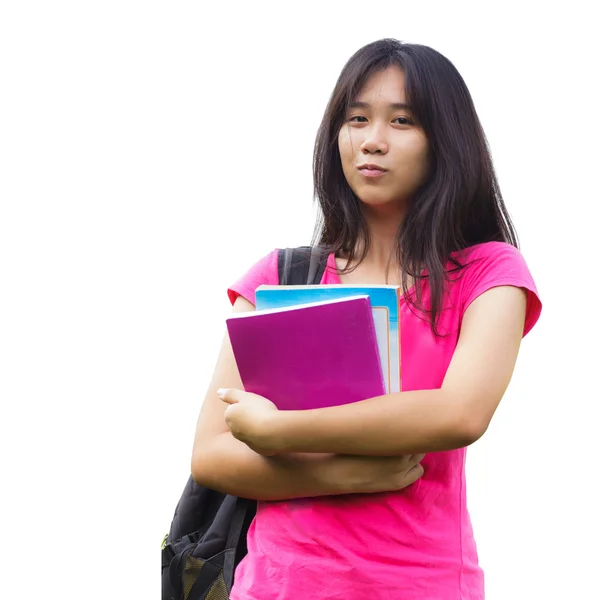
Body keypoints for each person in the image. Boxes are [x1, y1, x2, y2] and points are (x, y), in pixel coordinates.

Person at [191, 38, 542, 600]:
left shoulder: (489, 273)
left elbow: (459, 413)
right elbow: (211, 454)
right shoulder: (278, 279)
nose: (372, 141)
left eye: (402, 121)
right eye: (357, 118)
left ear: (444, 141)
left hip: (421, 585)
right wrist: (340, 475)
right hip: (277, 586)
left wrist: (282, 430)